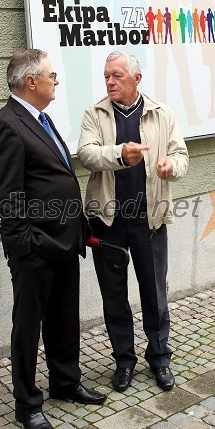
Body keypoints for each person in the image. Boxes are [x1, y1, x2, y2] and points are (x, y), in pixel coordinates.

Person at [0, 49, 106, 429]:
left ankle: (65, 382)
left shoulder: (41, 117)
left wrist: (79, 226)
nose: (57, 81)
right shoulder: (5, 124)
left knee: (64, 318)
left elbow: (58, 177)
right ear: (31, 81)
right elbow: (9, 197)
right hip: (36, 248)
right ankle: (28, 405)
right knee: (28, 326)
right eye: (52, 75)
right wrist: (27, 245)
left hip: (66, 241)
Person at [77, 51, 188, 393]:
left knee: (154, 292)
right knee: (114, 295)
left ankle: (159, 358)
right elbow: (86, 154)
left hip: (148, 218)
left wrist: (172, 167)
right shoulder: (95, 113)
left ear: (136, 79)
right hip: (107, 221)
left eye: (117, 75)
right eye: (106, 76)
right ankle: (124, 361)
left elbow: (181, 155)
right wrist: (119, 155)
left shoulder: (160, 113)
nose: (110, 81)